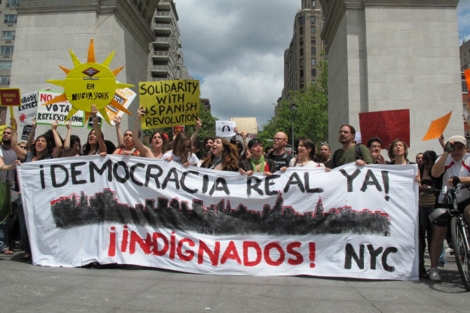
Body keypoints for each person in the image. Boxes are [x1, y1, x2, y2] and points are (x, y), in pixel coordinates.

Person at [11, 117, 64, 260]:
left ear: (47, 145)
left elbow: (59, 146)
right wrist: (21, 128)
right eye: (38, 141)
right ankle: (28, 249)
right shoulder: (27, 156)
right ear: (34, 144)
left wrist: (54, 129)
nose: (40, 142)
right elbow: (14, 145)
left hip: (42, 199)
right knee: (24, 226)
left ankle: (43, 249)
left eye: (43, 141)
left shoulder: (49, 159)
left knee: (42, 224)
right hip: (26, 198)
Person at [429, 135, 470, 282]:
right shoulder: (444, 159)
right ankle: (434, 268)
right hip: (446, 199)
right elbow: (435, 173)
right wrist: (446, 152)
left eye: (460, 148)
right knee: (439, 233)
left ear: (466, 149)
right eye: (454, 148)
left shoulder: (469, 159)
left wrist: (461, 180)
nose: (457, 152)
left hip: (465, 197)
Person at [417, 150, 440, 278]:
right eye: (426, 162)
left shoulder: (437, 171)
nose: (429, 165)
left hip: (433, 205)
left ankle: (433, 266)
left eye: (431, 163)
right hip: (420, 206)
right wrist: (421, 186)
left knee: (433, 237)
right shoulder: (418, 170)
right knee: (420, 238)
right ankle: (421, 267)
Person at [0, 126, 19, 255]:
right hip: (1, 187)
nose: (5, 135)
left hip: (11, 188)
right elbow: (2, 166)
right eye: (4, 133)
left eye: (8, 133)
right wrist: (11, 166)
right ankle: (2, 245)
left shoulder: (16, 151)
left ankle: (7, 242)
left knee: (9, 218)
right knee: (2, 218)